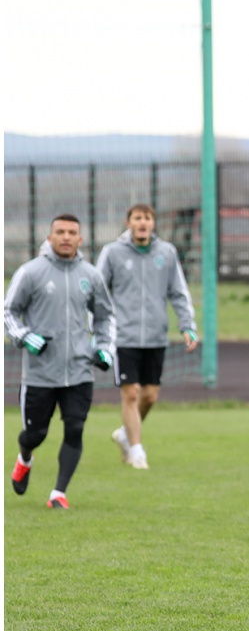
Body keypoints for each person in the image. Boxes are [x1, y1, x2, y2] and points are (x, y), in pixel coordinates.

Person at [5, 214, 115, 510]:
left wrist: (105, 347)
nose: (66, 237)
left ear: (81, 239)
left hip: (80, 371)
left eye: (72, 233)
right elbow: (8, 312)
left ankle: (58, 493)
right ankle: (25, 457)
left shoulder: (91, 275)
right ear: (50, 236)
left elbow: (105, 316)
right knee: (35, 434)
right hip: (40, 374)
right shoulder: (31, 272)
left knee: (75, 429)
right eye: (60, 232)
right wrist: (25, 336)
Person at [96, 204, 198, 470]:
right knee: (130, 394)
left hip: (155, 337)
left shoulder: (167, 252)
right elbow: (97, 293)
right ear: (128, 222)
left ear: (154, 223)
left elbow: (178, 292)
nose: (143, 222)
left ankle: (124, 434)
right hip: (123, 338)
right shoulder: (112, 253)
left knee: (149, 396)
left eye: (148, 218)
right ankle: (137, 450)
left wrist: (187, 326)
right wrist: (98, 331)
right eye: (137, 218)